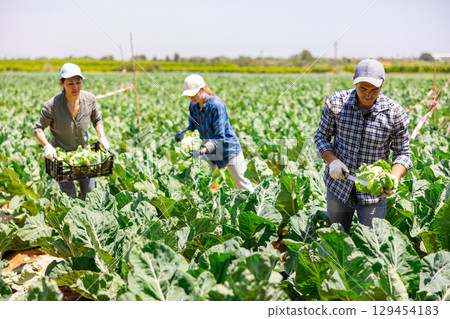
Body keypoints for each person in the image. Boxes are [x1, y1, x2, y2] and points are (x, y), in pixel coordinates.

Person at [314, 58, 412, 234]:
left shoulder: (395, 113)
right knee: (336, 239)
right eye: (363, 89)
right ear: (354, 81)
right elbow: (321, 137)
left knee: (374, 243)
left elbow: (403, 153)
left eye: (374, 90)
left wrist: (394, 178)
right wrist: (333, 162)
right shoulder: (336, 103)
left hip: (373, 195)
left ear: (383, 83)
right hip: (338, 188)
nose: (368, 95)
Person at [33, 63, 110, 200]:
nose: (75, 87)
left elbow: (97, 120)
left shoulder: (90, 100)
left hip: (83, 154)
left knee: (90, 191)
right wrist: (47, 146)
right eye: (70, 84)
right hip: (62, 157)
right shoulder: (52, 105)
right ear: (61, 83)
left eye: (78, 82)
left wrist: (102, 137)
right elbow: (38, 128)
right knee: (69, 195)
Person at [174, 74, 254, 193]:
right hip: (209, 150)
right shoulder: (193, 106)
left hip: (228, 149)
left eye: (193, 93)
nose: (191, 97)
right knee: (197, 182)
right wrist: (182, 135)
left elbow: (219, 137)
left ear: (202, 89)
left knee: (243, 185)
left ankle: (257, 209)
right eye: (189, 95)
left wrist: (203, 150)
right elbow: (192, 126)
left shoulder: (217, 106)